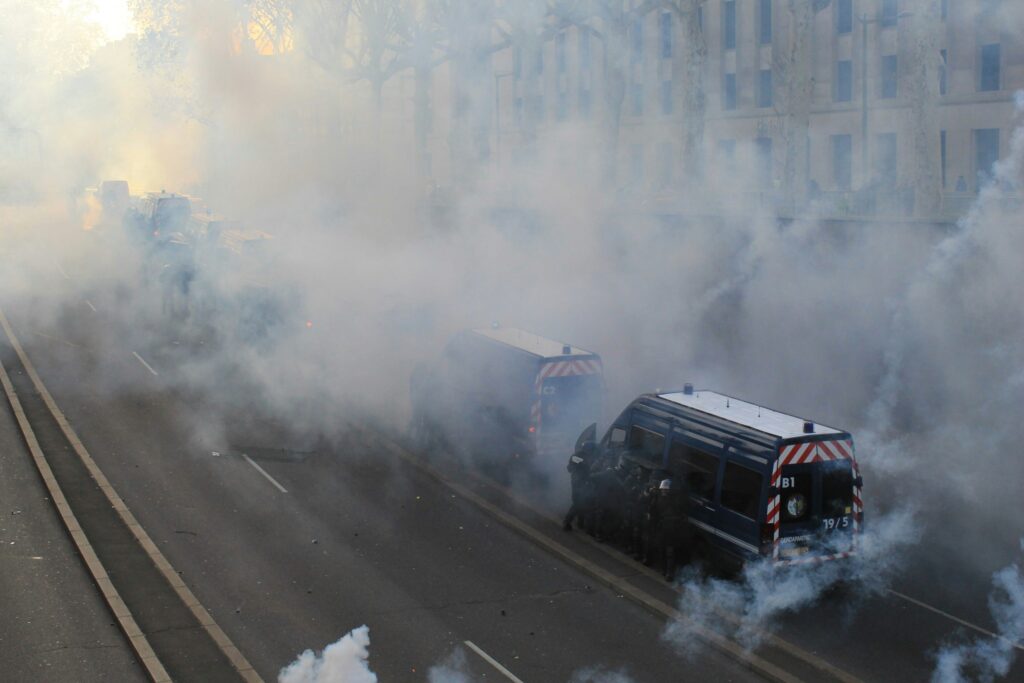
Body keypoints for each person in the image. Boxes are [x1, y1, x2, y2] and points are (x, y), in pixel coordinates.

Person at [654, 478, 690, 581]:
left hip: (672, 528)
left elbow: (682, 511)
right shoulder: (659, 498)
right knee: (661, 549)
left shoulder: (676, 500)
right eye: (663, 489)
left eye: (666, 489)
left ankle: (669, 573)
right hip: (662, 527)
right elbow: (655, 511)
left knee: (670, 552)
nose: (663, 491)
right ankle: (664, 569)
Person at [563, 440, 596, 531]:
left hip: (581, 481)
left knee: (582, 502)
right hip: (578, 482)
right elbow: (577, 465)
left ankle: (580, 523)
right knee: (578, 503)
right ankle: (567, 522)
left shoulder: (585, 456)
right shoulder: (577, 456)